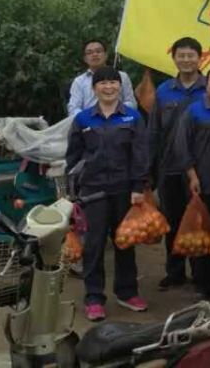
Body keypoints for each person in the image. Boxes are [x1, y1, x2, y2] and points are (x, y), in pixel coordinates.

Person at [65, 66, 149, 321]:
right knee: (94, 244)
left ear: (119, 87)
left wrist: (138, 187)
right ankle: (94, 298)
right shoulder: (83, 120)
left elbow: (140, 155)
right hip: (94, 191)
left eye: (113, 82)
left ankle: (127, 292)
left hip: (124, 190)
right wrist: (73, 190)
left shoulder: (132, 117)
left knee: (125, 241)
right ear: (94, 89)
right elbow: (73, 157)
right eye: (103, 83)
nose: (109, 87)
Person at [149, 37, 207, 291]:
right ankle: (175, 271)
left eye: (190, 55)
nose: (186, 60)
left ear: (200, 58)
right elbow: (153, 131)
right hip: (169, 166)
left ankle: (201, 273)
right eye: (181, 55)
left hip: (201, 168)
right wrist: (149, 170)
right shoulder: (164, 91)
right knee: (172, 221)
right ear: (173, 58)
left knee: (198, 220)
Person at [174, 66, 210, 299]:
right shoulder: (194, 110)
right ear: (206, 85)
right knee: (201, 232)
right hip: (201, 181)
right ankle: (203, 282)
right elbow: (181, 144)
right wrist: (192, 175)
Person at [67, 39, 136, 116]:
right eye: (89, 52)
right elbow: (73, 108)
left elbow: (131, 103)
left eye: (98, 51)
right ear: (85, 59)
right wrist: (87, 118)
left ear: (106, 55)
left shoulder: (122, 76)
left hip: (119, 118)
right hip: (90, 120)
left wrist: (114, 111)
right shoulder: (79, 81)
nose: (95, 54)